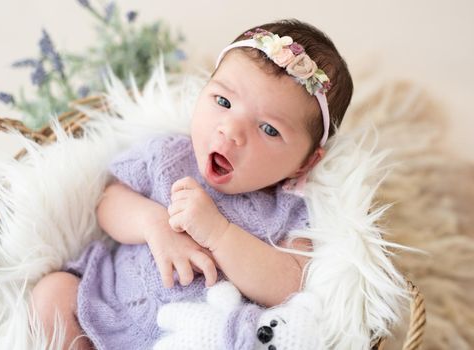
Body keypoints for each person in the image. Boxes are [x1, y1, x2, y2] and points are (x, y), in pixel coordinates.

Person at [31, 19, 353, 349]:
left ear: (306, 162)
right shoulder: (168, 154)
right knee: (52, 293)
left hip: (194, 337)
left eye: (269, 129)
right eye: (223, 102)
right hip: (109, 304)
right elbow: (108, 202)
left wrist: (218, 233)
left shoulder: (288, 209)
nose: (230, 131)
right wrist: (153, 223)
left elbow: (289, 283)